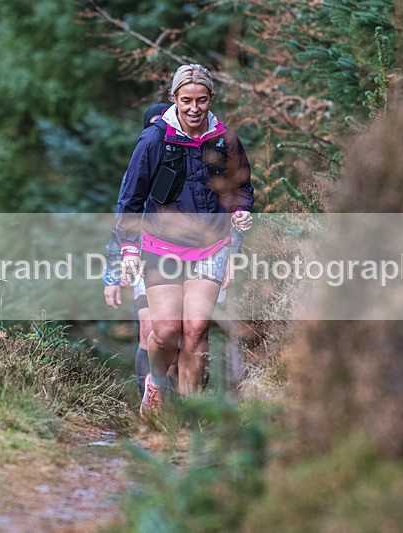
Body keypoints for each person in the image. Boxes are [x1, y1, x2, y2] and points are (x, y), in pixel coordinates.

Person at [113, 63, 254, 417]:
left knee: (196, 330)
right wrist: (128, 248)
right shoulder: (154, 139)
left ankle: (190, 415)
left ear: (211, 99)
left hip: (211, 247)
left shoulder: (225, 140)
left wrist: (240, 211)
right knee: (165, 332)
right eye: (187, 100)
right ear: (174, 98)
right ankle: (156, 385)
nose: (194, 108)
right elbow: (131, 198)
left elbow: (241, 188)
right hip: (161, 248)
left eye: (201, 100)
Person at [103, 103, 169, 396]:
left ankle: (181, 403)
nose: (158, 132)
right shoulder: (138, 170)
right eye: (152, 126)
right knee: (148, 329)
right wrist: (112, 274)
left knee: (182, 336)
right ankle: (150, 402)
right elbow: (123, 218)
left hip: (189, 258)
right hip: (144, 257)